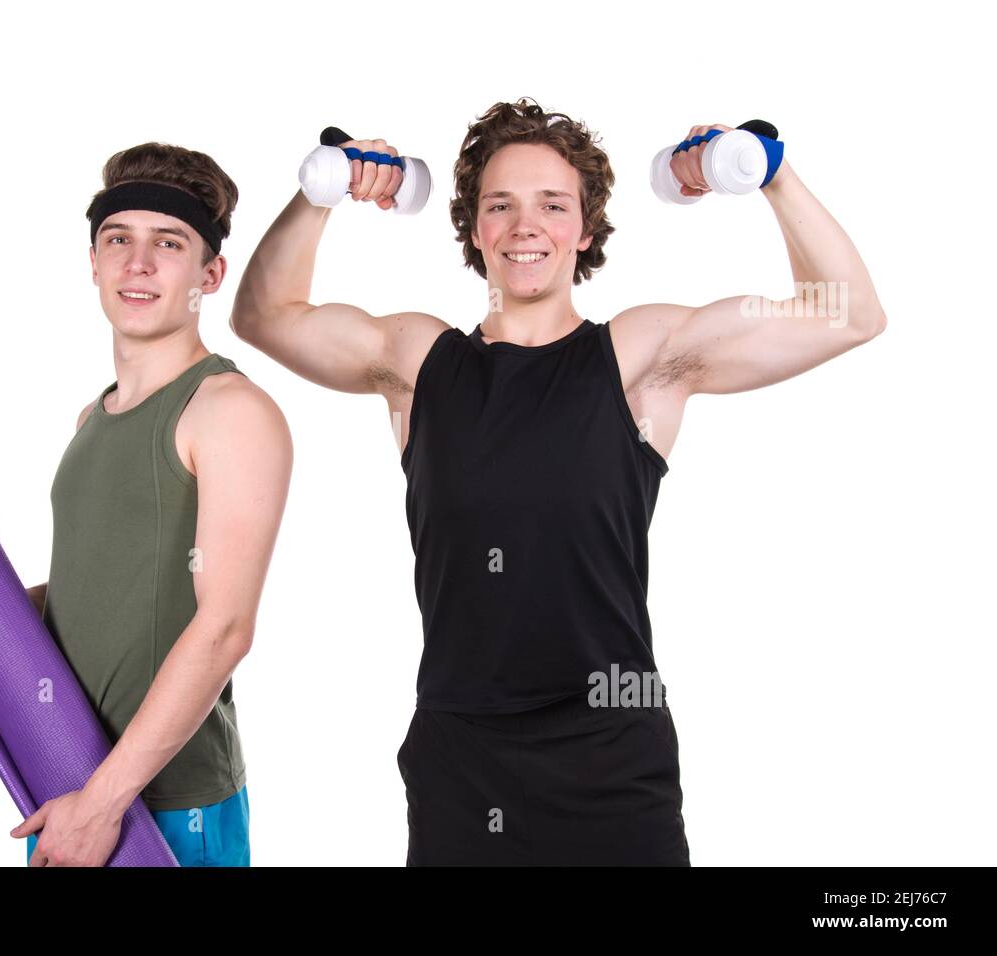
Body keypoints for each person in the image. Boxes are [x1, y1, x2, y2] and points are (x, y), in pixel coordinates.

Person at [230, 98, 886, 865]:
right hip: (462, 760)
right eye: (499, 205)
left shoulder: (642, 357)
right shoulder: (419, 363)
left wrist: (771, 174)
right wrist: (324, 190)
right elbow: (264, 315)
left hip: (613, 751)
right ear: (474, 229)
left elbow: (849, 315)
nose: (525, 225)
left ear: (586, 227)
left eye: (553, 204)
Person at [0, 142, 293, 867]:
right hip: (68, 781)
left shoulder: (229, 410)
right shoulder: (92, 419)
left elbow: (226, 626)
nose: (138, 264)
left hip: (165, 807)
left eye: (167, 244)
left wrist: (105, 803)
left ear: (210, 274)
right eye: (119, 240)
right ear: (94, 263)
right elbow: (95, 591)